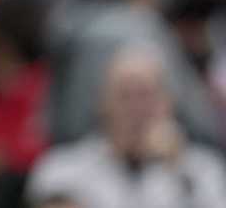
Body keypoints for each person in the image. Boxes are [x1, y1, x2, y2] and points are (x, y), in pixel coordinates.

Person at [26, 45, 226, 208]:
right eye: (125, 96)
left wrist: (178, 168)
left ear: (168, 103)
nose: (137, 108)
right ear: (102, 104)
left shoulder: (203, 170)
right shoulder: (61, 170)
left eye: (146, 95)